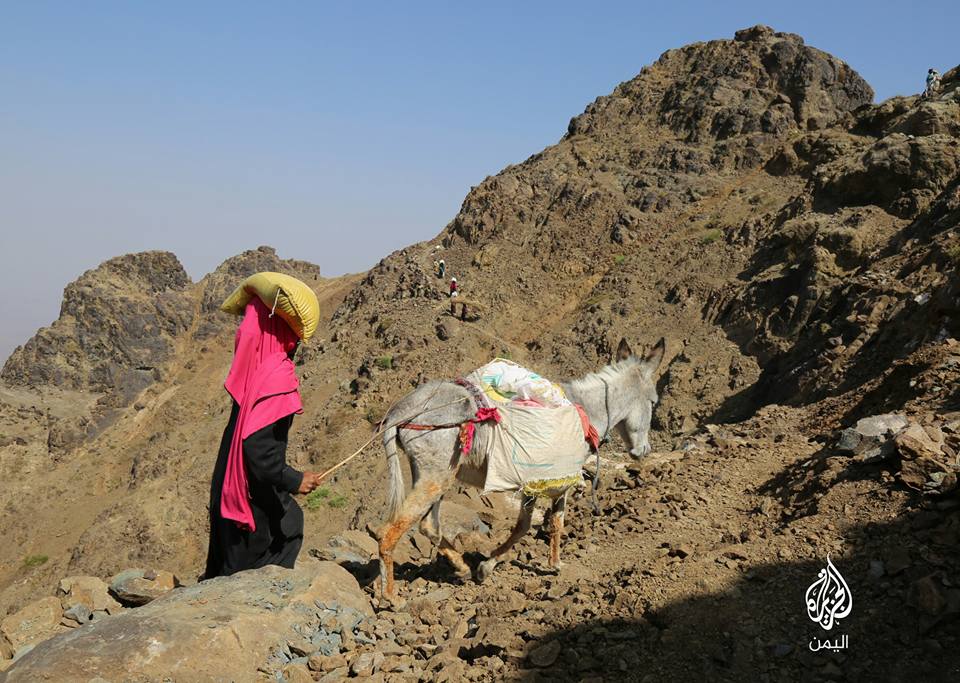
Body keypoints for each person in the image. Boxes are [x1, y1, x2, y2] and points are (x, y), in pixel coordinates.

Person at [204, 297, 324, 578]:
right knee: (289, 525)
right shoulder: (276, 374)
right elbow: (258, 448)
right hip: (249, 490)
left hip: (228, 482)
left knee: (229, 562)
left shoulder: (251, 369)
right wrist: (295, 479)